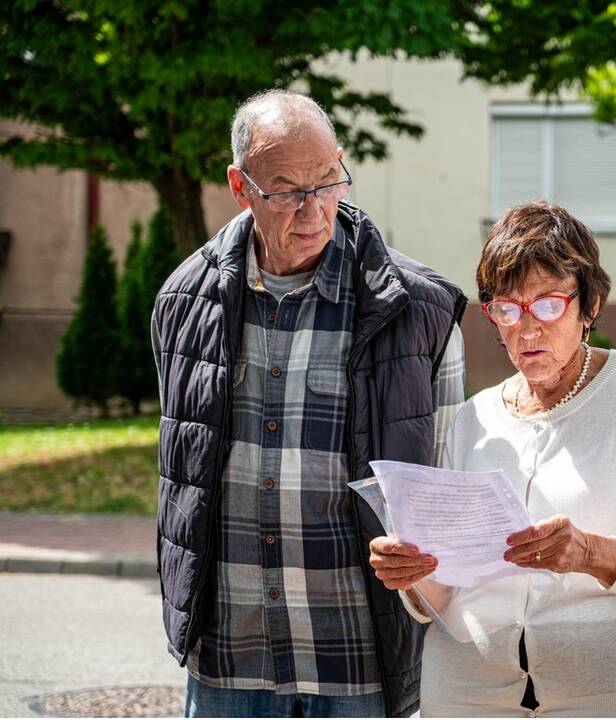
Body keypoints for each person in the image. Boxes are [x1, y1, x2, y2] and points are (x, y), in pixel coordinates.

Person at [151, 90, 467, 718]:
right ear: (241, 188)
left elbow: (447, 490)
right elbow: (184, 476)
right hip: (227, 661)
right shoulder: (183, 302)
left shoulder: (421, 312)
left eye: (327, 182)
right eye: (286, 190)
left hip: (357, 660)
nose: (312, 208)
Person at [368, 200, 616, 717]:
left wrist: (593, 553)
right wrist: (414, 573)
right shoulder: (473, 419)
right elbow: (444, 598)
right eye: (507, 309)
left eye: (548, 304)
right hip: (473, 699)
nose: (526, 329)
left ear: (591, 304)